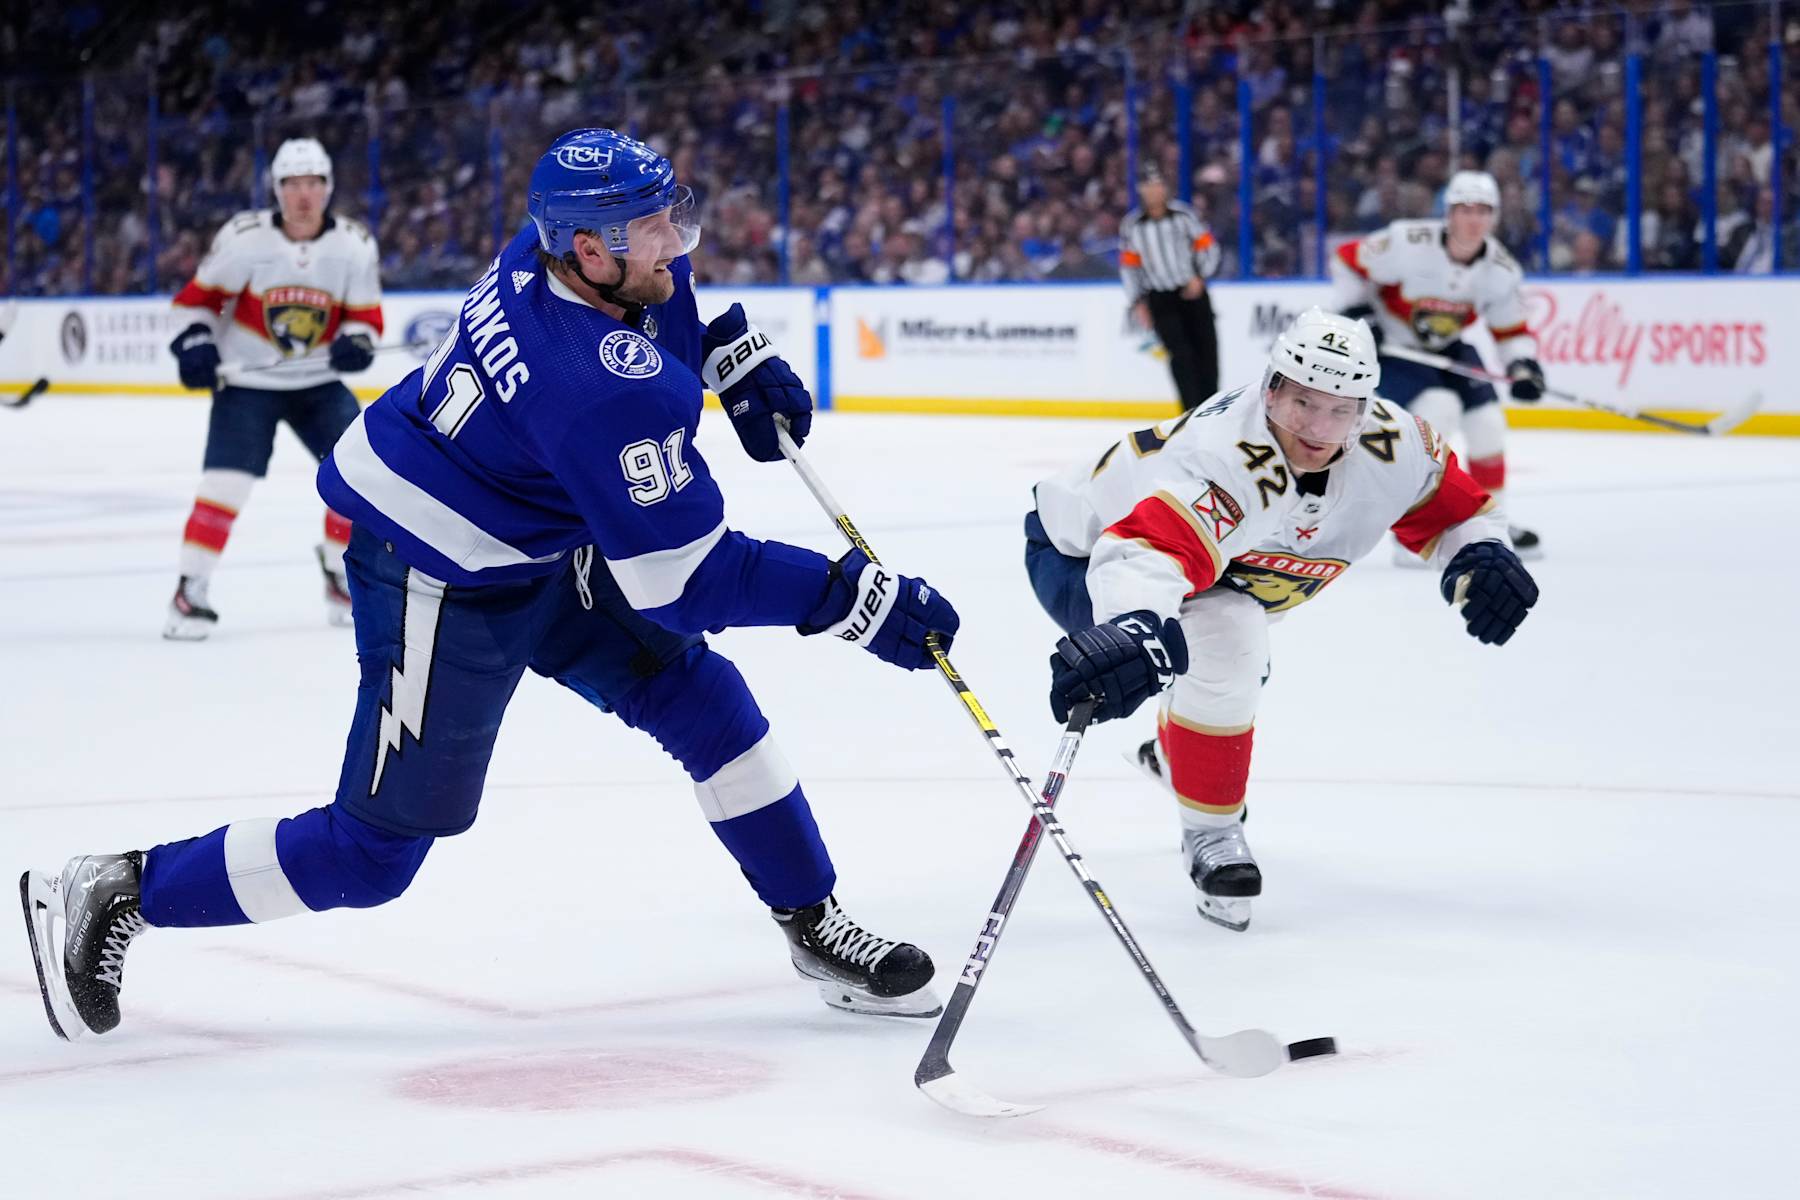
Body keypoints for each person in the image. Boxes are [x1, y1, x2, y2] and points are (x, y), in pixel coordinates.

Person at [21, 129, 961, 1040]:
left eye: (672, 215)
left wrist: (722, 349)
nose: (677, 240)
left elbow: (652, 306)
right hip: (437, 563)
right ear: (589, 248)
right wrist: (851, 599)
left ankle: (812, 923)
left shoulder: (550, 246)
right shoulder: (596, 386)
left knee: (702, 698)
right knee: (373, 853)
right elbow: (687, 578)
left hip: (530, 525)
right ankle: (119, 888)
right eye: (655, 226)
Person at [1024, 308, 1538, 931]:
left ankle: (1176, 755)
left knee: (1230, 653)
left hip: (1212, 565)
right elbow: (1145, 553)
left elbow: (1455, 511)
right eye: (1302, 403)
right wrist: (1132, 629)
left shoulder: (1395, 444)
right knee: (1228, 638)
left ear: (1366, 406)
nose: (1319, 428)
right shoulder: (1225, 461)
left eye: (1341, 408)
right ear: (1271, 386)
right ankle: (1212, 835)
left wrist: (1479, 554)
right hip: (1084, 551)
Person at [164, 138, 384, 639]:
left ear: (328, 188)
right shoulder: (244, 240)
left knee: (362, 474)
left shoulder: (354, 244)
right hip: (246, 383)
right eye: (291, 184)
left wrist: (356, 342)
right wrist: (196, 343)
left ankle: (339, 577)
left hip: (318, 382)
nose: (303, 195)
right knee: (225, 486)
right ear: (276, 189)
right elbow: (194, 303)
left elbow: (365, 316)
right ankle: (188, 590)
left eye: (312, 183)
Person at [1330, 170, 1548, 558]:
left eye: (1483, 210)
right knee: (1437, 413)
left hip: (1447, 349)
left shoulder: (1501, 269)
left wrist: (1524, 365)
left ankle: (1490, 523)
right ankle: (1418, 529)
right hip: (1395, 347)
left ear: (1494, 216)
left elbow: (1510, 329)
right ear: (1448, 213)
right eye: (1464, 209)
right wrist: (1362, 313)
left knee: (1488, 426)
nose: (1473, 218)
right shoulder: (1406, 241)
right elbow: (1346, 260)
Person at [1121, 167, 1222, 411]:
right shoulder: (1133, 226)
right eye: (1148, 185)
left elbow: (1207, 247)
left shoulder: (1184, 216)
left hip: (1193, 293)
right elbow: (1130, 267)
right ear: (1141, 190)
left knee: (1207, 351)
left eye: (1158, 184)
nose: (1154, 190)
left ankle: (1211, 409)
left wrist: (1200, 277)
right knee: (1181, 356)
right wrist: (1138, 302)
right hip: (1160, 298)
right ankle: (1190, 411)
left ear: (1165, 188)